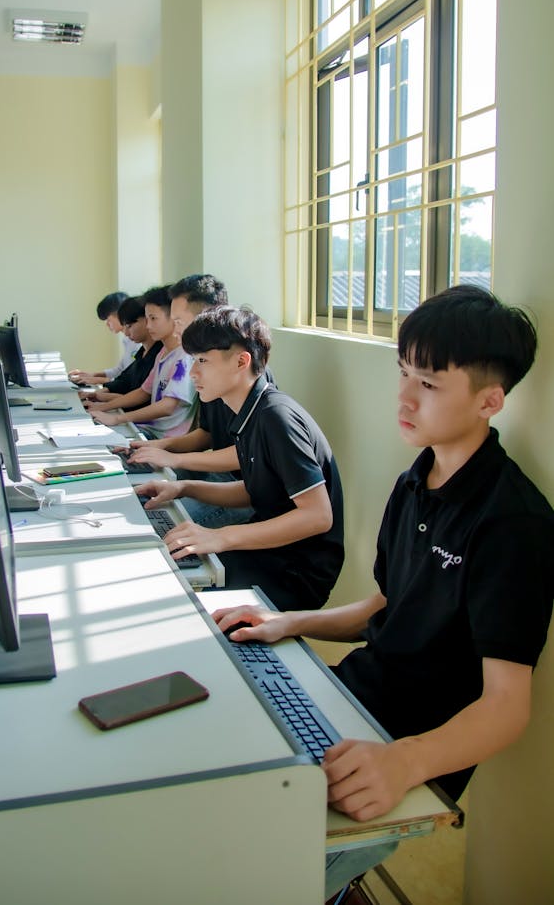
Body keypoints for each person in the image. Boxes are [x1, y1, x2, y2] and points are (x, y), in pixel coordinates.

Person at [211, 285, 554, 898]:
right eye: (402, 374)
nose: (402, 397)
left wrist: (407, 763)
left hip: (408, 752)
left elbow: (508, 705)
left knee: (263, 877)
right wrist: (289, 622)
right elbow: (387, 604)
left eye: (427, 383)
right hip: (354, 699)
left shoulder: (512, 522)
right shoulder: (414, 481)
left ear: (489, 400)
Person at [136, 306, 344, 610]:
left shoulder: (276, 418)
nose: (193, 373)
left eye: (203, 361)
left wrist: (222, 537)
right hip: (268, 553)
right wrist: (184, 488)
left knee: (172, 593)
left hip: (293, 571)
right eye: (193, 360)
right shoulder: (250, 412)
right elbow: (255, 490)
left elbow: (318, 516)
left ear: (241, 361)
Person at [128, 274, 255, 527]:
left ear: (208, 317)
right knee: (135, 496)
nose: (175, 330)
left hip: (240, 488)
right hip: (215, 475)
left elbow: (246, 455)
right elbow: (207, 433)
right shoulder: (203, 368)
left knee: (151, 521)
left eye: (179, 322)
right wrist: (159, 448)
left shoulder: (237, 373)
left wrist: (175, 459)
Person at [86, 285, 197, 439]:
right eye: (147, 319)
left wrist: (117, 418)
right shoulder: (163, 353)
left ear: (173, 317)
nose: (148, 326)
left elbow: (167, 407)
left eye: (153, 318)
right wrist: (102, 407)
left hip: (164, 438)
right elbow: (143, 392)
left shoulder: (183, 358)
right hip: (149, 430)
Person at [78, 295, 162, 407]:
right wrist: (98, 393)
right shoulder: (142, 351)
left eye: (129, 326)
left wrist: (103, 400)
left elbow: (143, 399)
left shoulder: (159, 353)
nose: (126, 333)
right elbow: (124, 379)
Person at [68, 291, 139, 386]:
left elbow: (131, 380)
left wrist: (98, 380)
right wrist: (92, 375)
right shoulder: (127, 340)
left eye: (108, 320)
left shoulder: (137, 342)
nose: (106, 324)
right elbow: (120, 370)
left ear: (120, 314)